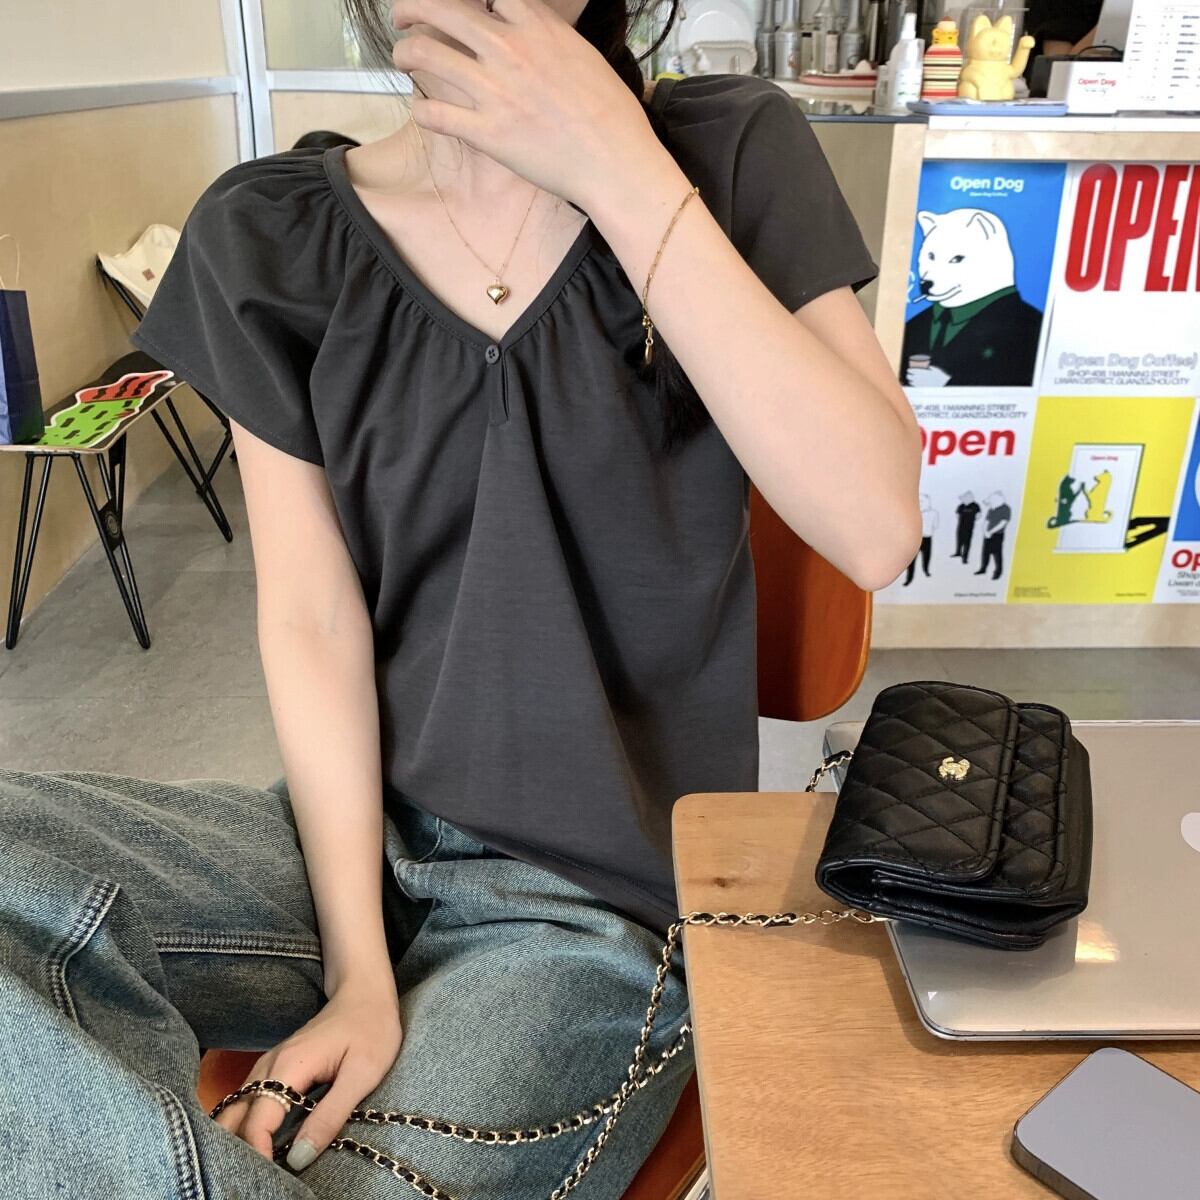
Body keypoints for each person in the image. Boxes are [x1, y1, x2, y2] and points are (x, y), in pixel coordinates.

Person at [0, 0, 923, 1196]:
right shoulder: (268, 234)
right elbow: (313, 621)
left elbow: (874, 525)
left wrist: (616, 164)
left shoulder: (725, 153)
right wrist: (357, 971)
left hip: (597, 904)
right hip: (342, 841)